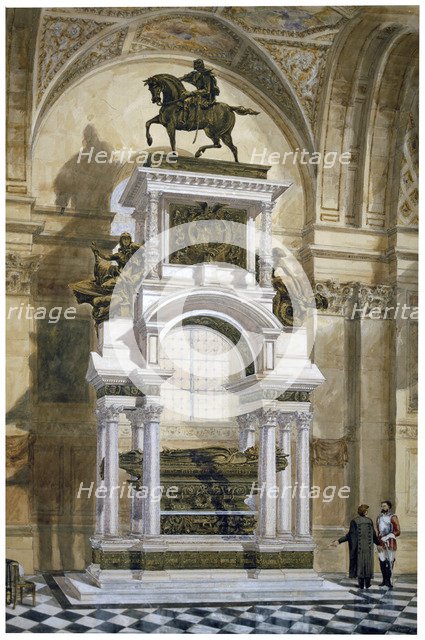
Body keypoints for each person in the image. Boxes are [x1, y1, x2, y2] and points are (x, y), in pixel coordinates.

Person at [331, 504, 381, 589]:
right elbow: (373, 535)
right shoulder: (369, 521)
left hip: (359, 548)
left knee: (360, 565)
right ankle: (368, 584)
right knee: (368, 564)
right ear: (365, 512)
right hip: (368, 548)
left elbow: (350, 536)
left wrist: (338, 541)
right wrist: (378, 544)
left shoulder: (354, 521)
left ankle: (361, 585)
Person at [376, 500, 400, 589]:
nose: (383, 507)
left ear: (389, 507)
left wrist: (388, 536)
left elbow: (398, 531)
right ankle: (384, 580)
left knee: (390, 561)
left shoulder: (393, 517)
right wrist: (380, 538)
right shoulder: (379, 517)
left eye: (385, 506)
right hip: (381, 542)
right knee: (382, 560)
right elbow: (378, 530)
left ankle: (388, 581)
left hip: (390, 542)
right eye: (382, 506)